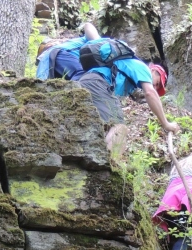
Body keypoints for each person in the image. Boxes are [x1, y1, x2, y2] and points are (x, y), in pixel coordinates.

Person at [73, 26, 180, 155]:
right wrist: (166, 123)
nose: (155, 87)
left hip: (82, 83)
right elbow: (150, 93)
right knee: (119, 128)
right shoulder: (142, 68)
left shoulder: (124, 69)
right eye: (157, 83)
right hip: (98, 84)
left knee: (97, 129)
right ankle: (108, 169)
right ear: (154, 70)